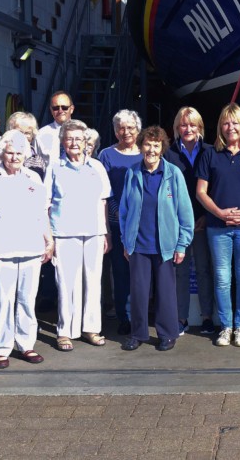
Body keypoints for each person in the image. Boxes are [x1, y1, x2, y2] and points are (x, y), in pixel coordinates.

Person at [0, 130, 53, 369]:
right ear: (2, 154)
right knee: (2, 301)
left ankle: (27, 344)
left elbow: (42, 214)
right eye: (10, 153)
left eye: (19, 153)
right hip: (0, 251)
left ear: (25, 155)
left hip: (31, 249)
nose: (14, 157)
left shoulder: (33, 179)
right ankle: (1, 348)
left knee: (27, 300)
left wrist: (49, 241)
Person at [119, 126, 195, 351]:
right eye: (147, 145)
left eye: (156, 145)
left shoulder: (173, 174)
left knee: (165, 293)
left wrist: (182, 244)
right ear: (141, 146)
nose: (151, 150)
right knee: (139, 292)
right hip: (138, 245)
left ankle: (167, 333)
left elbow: (185, 212)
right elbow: (124, 211)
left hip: (166, 245)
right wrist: (126, 241)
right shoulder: (132, 173)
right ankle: (138, 333)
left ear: (162, 148)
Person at [195, 103, 240, 348]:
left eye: (235, 122)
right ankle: (225, 326)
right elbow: (201, 192)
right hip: (217, 227)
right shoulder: (210, 154)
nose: (231, 127)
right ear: (220, 127)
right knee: (223, 278)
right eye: (226, 122)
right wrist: (219, 213)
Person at [47, 120, 112, 351]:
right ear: (63, 141)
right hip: (64, 233)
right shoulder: (54, 167)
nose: (74, 143)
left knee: (93, 282)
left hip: (94, 232)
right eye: (69, 139)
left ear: (86, 143)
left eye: (79, 139)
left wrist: (106, 233)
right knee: (67, 284)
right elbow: (45, 203)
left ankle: (91, 328)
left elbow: (103, 201)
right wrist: (48, 237)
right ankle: (65, 331)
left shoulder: (97, 167)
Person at [165, 107, 217, 335]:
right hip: (178, 224)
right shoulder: (168, 154)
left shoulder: (210, 151)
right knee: (181, 272)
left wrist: (207, 216)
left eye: (192, 125)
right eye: (183, 125)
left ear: (200, 128)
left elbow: (215, 187)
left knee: (205, 270)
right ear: (177, 128)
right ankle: (181, 318)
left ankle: (207, 317)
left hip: (204, 221)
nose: (188, 129)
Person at [98, 110, 143, 336]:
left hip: (142, 225)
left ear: (138, 129)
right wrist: (118, 213)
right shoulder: (106, 155)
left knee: (141, 272)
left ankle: (141, 315)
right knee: (121, 272)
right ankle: (124, 317)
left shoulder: (146, 153)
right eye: (121, 128)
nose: (126, 132)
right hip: (117, 224)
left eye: (130, 127)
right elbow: (103, 191)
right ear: (115, 131)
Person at [0, 111, 47, 179]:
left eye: (27, 133)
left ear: (33, 135)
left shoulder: (37, 159)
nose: (23, 136)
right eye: (19, 132)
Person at [38, 91, 74, 160]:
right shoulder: (41, 134)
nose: (60, 111)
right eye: (56, 108)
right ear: (51, 110)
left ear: (71, 109)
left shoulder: (82, 132)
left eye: (64, 107)